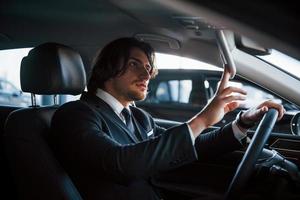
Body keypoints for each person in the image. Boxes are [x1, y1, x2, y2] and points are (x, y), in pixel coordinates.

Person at [50, 37, 285, 200]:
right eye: (134, 64)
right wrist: (202, 119)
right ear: (107, 68)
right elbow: (120, 164)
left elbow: (183, 148)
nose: (146, 74)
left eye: (148, 67)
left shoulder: (139, 117)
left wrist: (242, 122)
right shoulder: (74, 115)